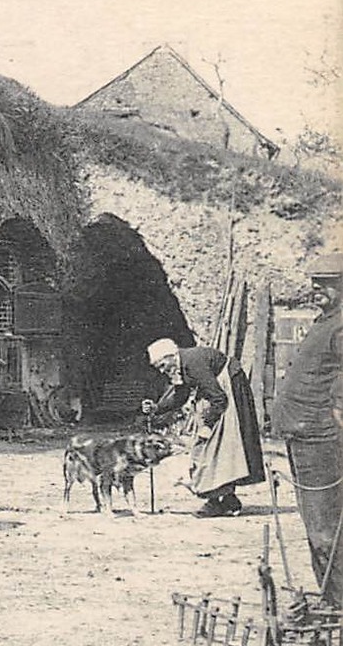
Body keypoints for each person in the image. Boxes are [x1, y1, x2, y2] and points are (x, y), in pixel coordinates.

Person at [269, 255, 343, 605]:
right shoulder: (326, 322)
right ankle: (332, 600)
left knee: (325, 530)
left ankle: (338, 607)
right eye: (315, 280)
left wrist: (338, 408)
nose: (316, 288)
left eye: (326, 282)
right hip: (303, 436)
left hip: (320, 439)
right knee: (317, 527)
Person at [143, 336, 265, 517]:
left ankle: (216, 501)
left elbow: (219, 398)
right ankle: (228, 499)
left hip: (229, 390)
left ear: (171, 356)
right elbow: (181, 393)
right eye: (159, 368)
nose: (162, 371)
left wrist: (207, 423)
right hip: (218, 394)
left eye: (163, 366)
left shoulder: (192, 363)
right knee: (215, 448)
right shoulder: (179, 366)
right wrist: (157, 408)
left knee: (213, 446)